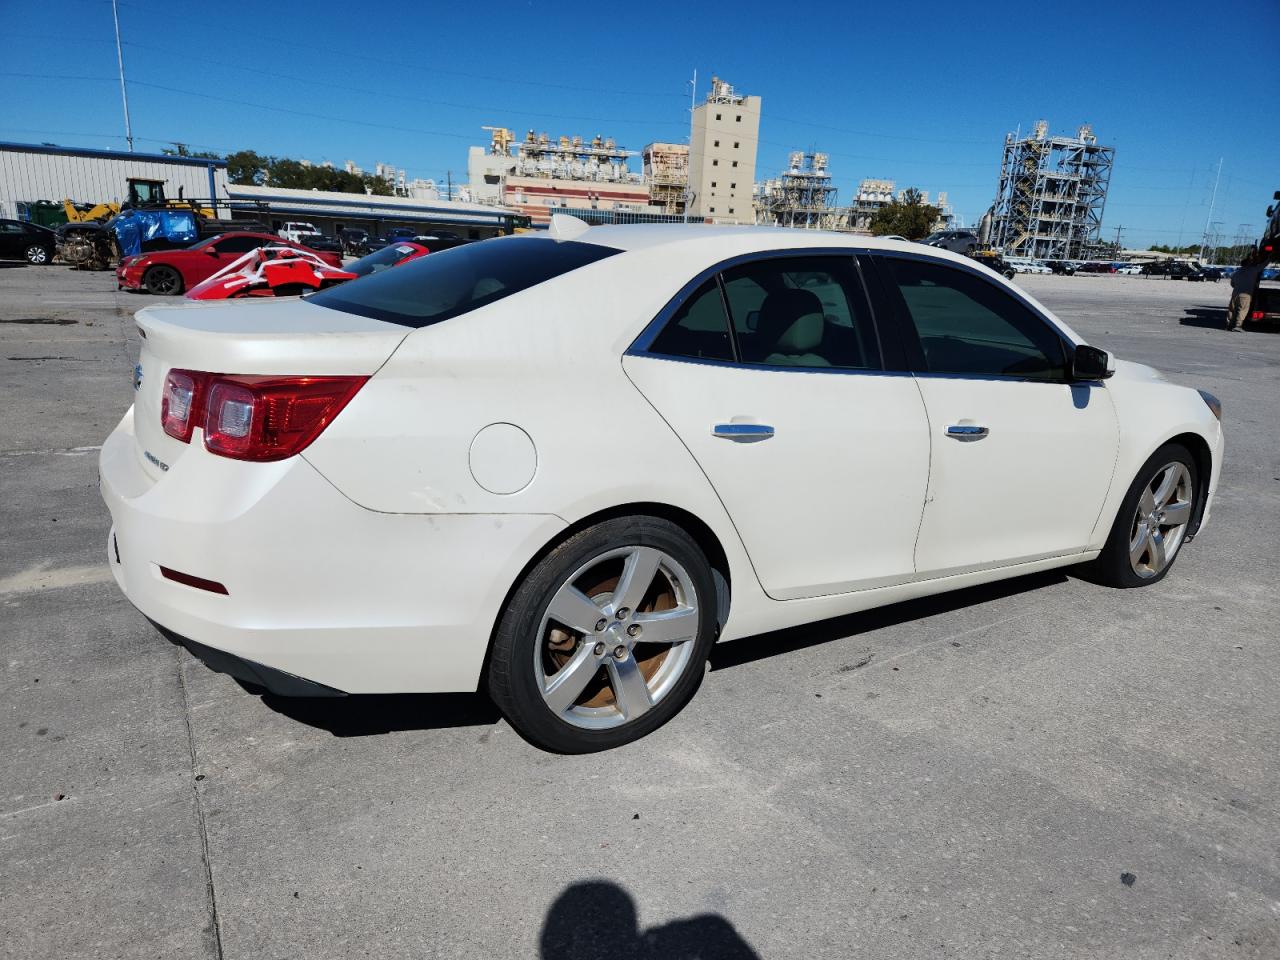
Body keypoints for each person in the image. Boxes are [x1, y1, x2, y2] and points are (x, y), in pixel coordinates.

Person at [1227, 252, 1264, 331]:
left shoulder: (1236, 272)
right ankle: (1238, 326)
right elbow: (1262, 266)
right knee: (1242, 309)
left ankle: (1229, 324)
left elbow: (1232, 284)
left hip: (1235, 293)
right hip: (1246, 294)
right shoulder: (1253, 270)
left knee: (1232, 309)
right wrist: (1269, 259)